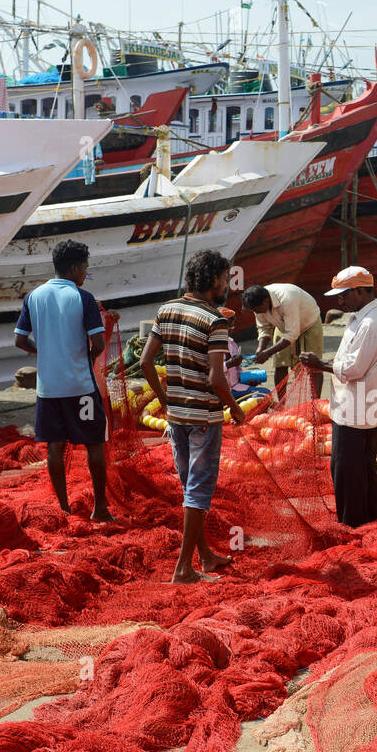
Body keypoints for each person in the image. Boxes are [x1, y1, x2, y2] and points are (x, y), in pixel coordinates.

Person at [140, 249, 246, 583]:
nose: (227, 285)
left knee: (190, 488)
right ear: (213, 280)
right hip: (203, 417)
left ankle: (206, 556)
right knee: (198, 492)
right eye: (225, 279)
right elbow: (217, 378)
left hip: (177, 417)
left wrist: (164, 399)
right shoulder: (215, 320)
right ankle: (183, 569)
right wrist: (234, 406)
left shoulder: (166, 310)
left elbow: (145, 362)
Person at [14, 238, 113, 522]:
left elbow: (20, 340)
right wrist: (88, 357)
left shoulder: (33, 296)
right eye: (85, 269)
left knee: (54, 447)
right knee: (94, 443)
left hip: (48, 390)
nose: (85, 274)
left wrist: (42, 350)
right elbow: (98, 342)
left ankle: (63, 507)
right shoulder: (83, 298)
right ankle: (100, 508)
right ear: (73, 268)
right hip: (81, 388)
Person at [299, 266, 377, 528]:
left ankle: (353, 525)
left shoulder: (370, 324)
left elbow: (353, 369)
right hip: (358, 408)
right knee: (363, 469)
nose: (340, 301)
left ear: (360, 292)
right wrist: (325, 364)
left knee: (346, 471)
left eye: (344, 295)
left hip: (356, 412)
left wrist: (319, 364)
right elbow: (349, 361)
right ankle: (368, 520)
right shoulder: (361, 318)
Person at [241, 283, 324, 400]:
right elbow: (264, 328)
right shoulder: (257, 304)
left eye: (255, 309)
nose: (255, 312)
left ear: (265, 302)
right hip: (283, 326)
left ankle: (315, 403)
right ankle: (282, 403)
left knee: (315, 365)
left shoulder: (287, 298)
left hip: (309, 322)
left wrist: (268, 353)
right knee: (280, 363)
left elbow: (292, 334)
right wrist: (261, 349)